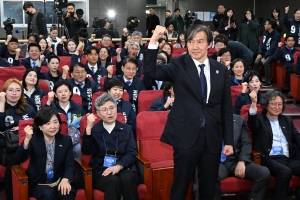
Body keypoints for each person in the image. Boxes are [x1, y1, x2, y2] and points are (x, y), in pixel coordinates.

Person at [144, 25, 233, 199]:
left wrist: (228, 141)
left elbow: (226, 108)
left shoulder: (220, 70)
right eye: (191, 41)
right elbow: (150, 71)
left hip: (212, 138)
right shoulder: (179, 64)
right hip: (186, 137)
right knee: (181, 185)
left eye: (200, 41)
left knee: (209, 187)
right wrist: (153, 40)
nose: (195, 46)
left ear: (209, 44)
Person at [82, 93, 139, 200]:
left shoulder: (127, 129)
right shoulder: (94, 130)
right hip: (101, 169)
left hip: (124, 167)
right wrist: (88, 128)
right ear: (98, 113)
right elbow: (86, 150)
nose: (109, 113)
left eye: (112, 108)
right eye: (104, 110)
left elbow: (131, 153)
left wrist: (118, 166)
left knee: (128, 179)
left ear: (116, 108)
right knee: (113, 181)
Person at [15, 107, 77, 199]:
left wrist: (65, 179)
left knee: (66, 194)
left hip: (58, 180)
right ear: (40, 127)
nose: (53, 126)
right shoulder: (33, 139)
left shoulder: (65, 140)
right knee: (48, 194)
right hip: (39, 183)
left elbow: (70, 164)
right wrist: (27, 139)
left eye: (55, 122)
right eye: (48, 123)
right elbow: (19, 159)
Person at [248, 90, 300, 200]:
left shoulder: (286, 120)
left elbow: (296, 137)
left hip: (286, 157)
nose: (277, 107)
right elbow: (252, 123)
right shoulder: (259, 119)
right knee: (285, 171)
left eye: (280, 104)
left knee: (288, 168)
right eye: (273, 103)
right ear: (266, 105)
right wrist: (253, 103)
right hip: (269, 157)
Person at [214, 114, 270, 200]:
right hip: (218, 162)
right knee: (210, 175)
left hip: (236, 160)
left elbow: (246, 143)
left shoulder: (239, 120)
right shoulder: (209, 118)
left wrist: (242, 161)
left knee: (263, 173)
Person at [0, 78, 36, 200]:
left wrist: (23, 128)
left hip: (27, 142)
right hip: (6, 147)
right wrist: (1, 103)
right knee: (14, 160)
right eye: (11, 90)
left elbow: (37, 124)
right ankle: (11, 196)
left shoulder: (28, 108)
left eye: (17, 90)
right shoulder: (1, 106)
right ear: (5, 92)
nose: (14, 93)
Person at [45, 80, 85, 159]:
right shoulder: (51, 108)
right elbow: (42, 119)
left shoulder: (77, 107)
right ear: (55, 95)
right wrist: (48, 102)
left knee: (79, 148)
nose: (63, 94)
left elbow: (83, 124)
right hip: (56, 139)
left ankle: (78, 170)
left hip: (75, 140)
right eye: (59, 92)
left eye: (66, 91)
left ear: (70, 92)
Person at [253, 18, 280, 87]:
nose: (264, 25)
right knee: (256, 62)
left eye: (266, 24)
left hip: (273, 54)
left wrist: (265, 57)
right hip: (264, 53)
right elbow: (261, 44)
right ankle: (257, 80)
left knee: (266, 62)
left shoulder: (276, 35)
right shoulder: (265, 32)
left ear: (270, 26)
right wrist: (259, 54)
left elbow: (273, 48)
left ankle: (268, 82)